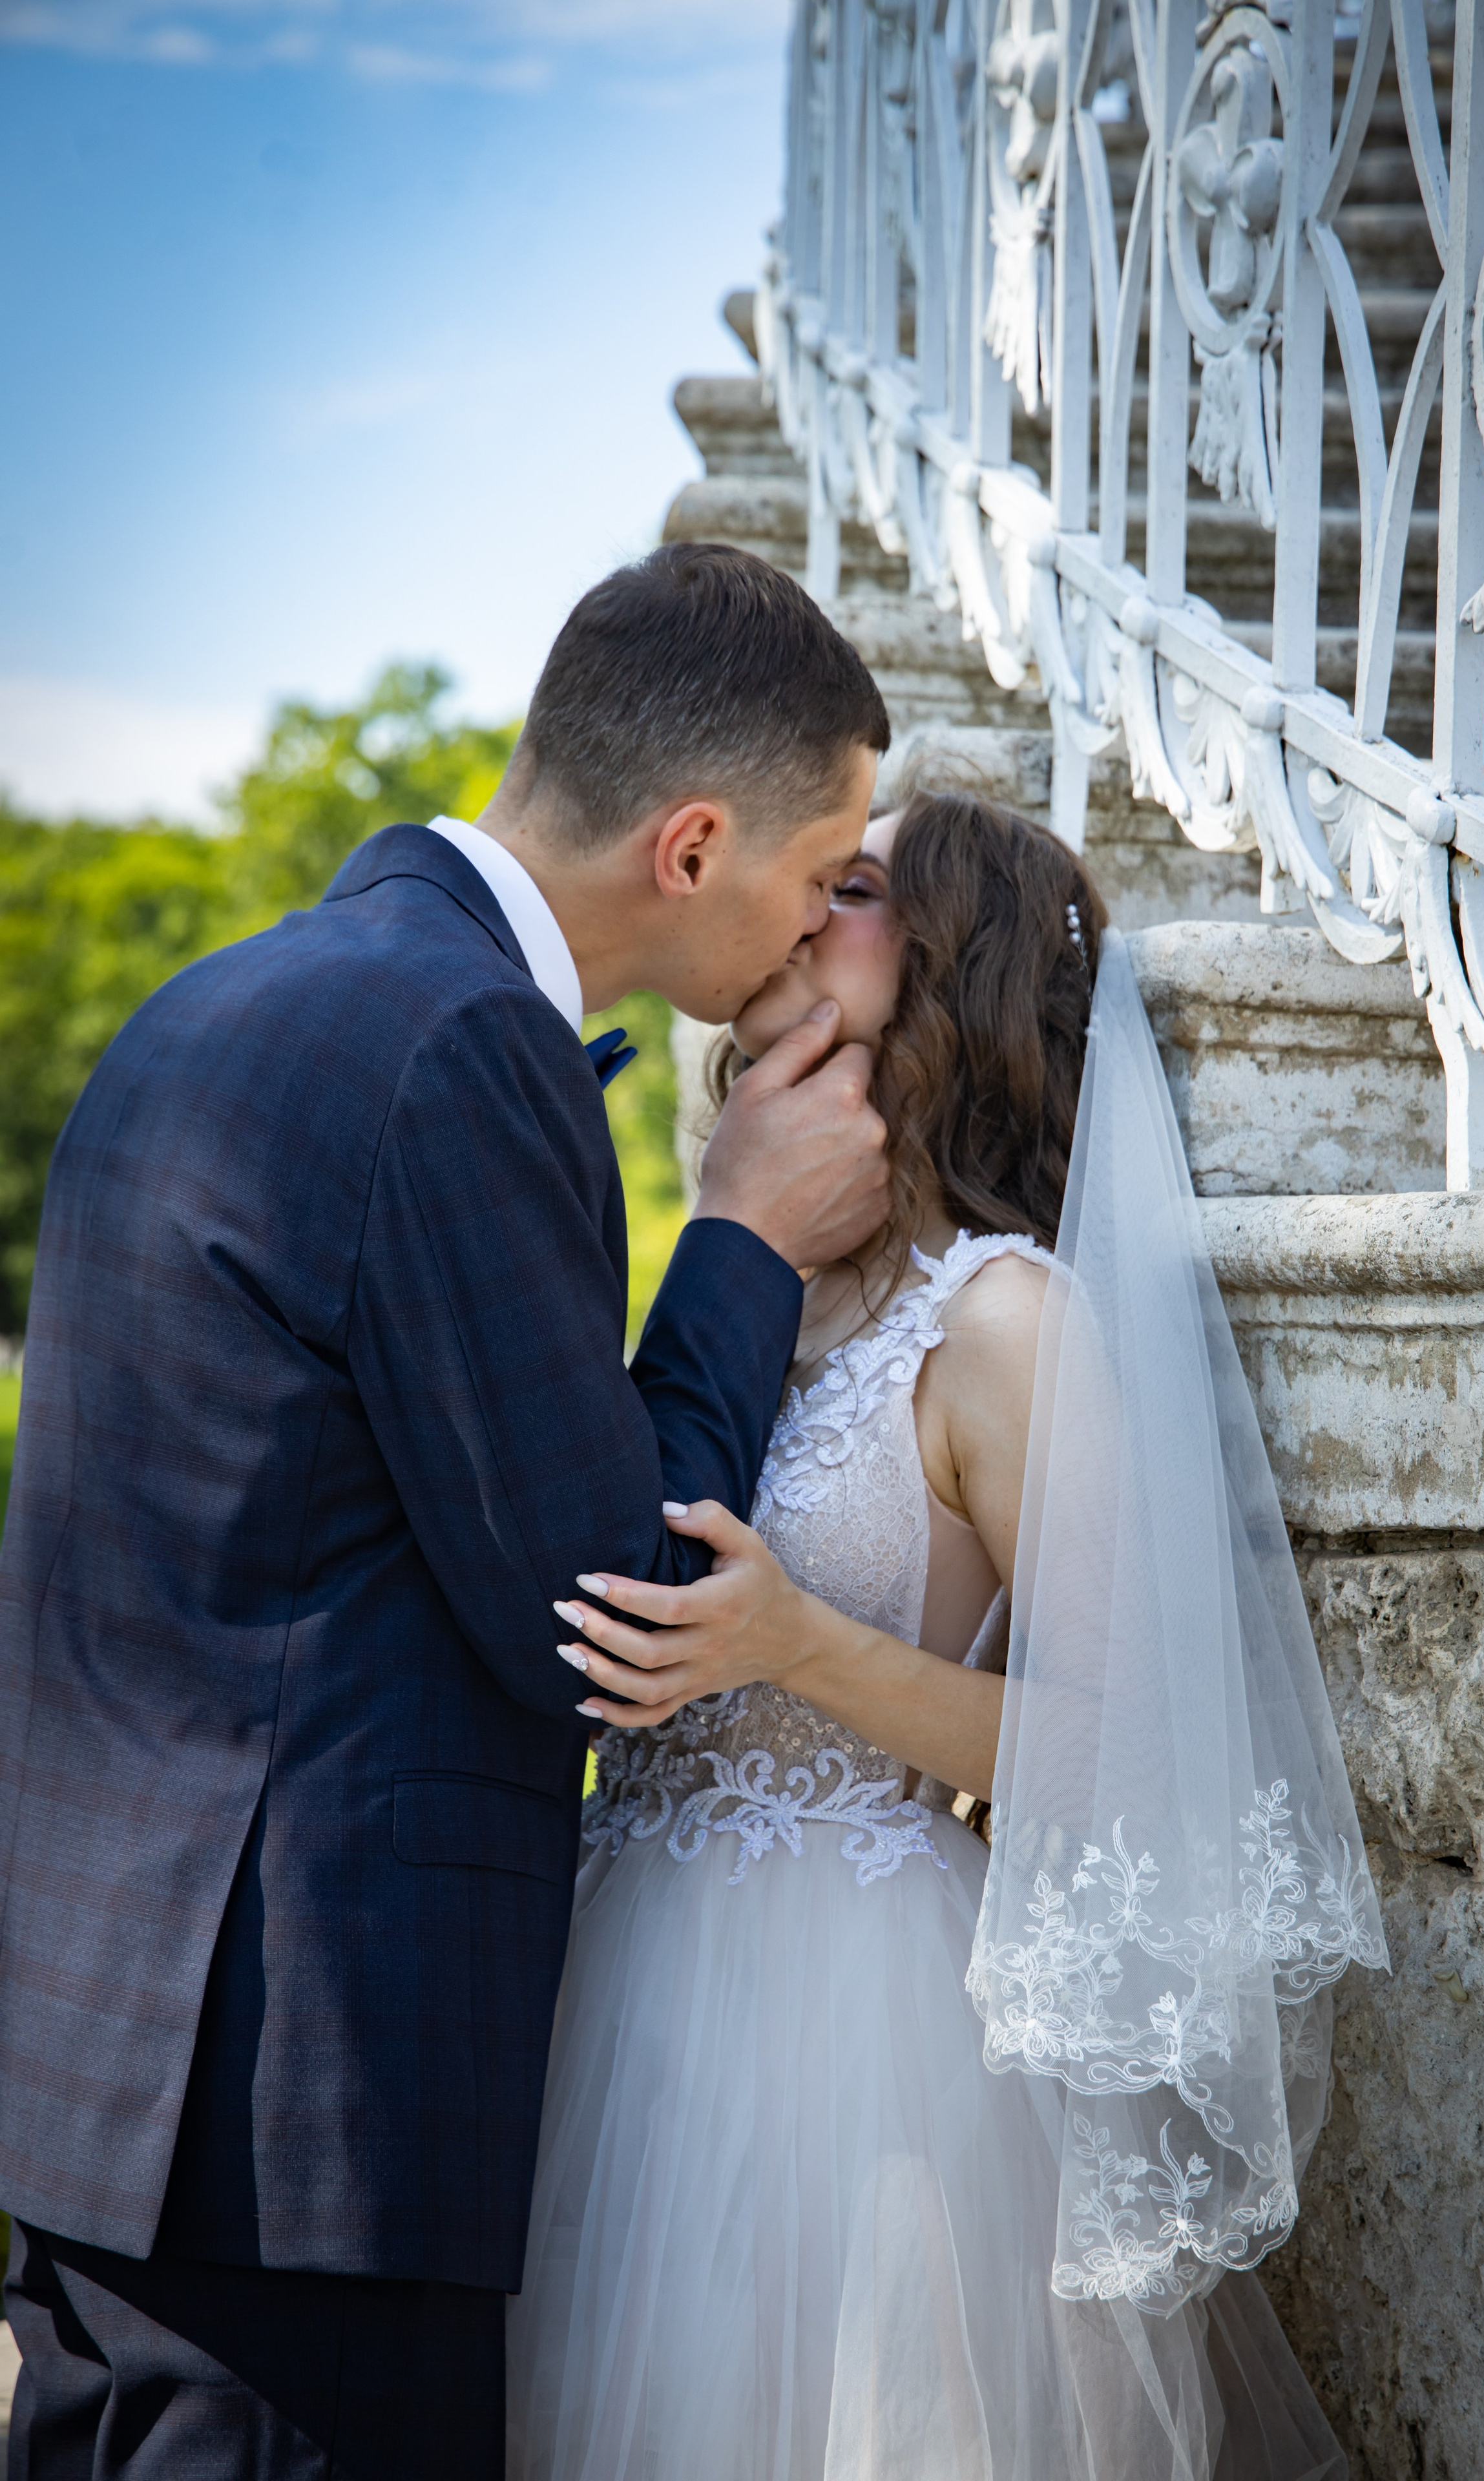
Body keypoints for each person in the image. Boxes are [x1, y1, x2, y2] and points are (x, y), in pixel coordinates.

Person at [0, 545, 897, 2480]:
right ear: (692, 847)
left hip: (107, 2073)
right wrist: (745, 1234)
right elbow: (613, 1612)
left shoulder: (223, 1003)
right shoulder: (460, 1045)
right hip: (304, 2117)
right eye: (826, 870)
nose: (827, 918)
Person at [507, 790, 1387, 2481]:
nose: (791, 910)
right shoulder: (749, 1285)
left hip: (862, 2041)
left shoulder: (1004, 1321)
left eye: (844, 886)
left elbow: (1115, 1748)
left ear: (946, 967)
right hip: (614, 1992)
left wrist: (798, 1647)